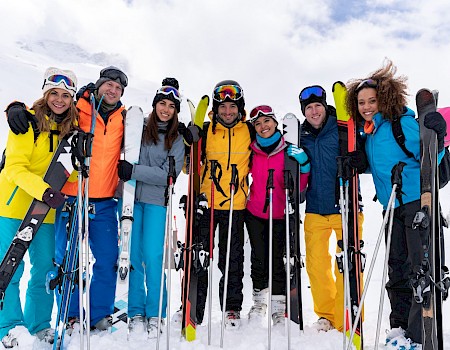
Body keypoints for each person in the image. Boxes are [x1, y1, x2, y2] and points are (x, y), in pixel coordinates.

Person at [345, 59, 447, 349]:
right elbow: (382, 162)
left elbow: (431, 157)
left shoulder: (402, 124)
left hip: (418, 203)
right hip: (391, 207)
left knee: (419, 270)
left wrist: (438, 139)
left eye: (372, 101)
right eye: (361, 102)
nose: (366, 107)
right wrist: (359, 162)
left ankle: (418, 335)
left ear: (385, 98)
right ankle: (398, 330)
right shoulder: (370, 133)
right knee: (397, 270)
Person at [0, 67, 78, 347]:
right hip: (13, 207)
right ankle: (8, 326)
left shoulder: (70, 131)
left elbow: (69, 172)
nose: (59, 99)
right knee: (10, 268)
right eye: (54, 93)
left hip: (45, 211)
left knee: (45, 269)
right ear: (45, 94)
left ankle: (39, 324)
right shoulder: (26, 123)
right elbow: (14, 168)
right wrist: (45, 191)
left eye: (65, 95)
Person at [181, 80, 254, 329]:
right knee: (199, 257)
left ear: (239, 107)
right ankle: (193, 308)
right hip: (206, 203)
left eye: (232, 107)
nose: (227, 112)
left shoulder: (249, 130)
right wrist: (189, 143)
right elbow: (187, 167)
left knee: (232, 259)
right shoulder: (206, 130)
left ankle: (231, 308)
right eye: (222, 107)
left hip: (236, 204)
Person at [117, 78, 185, 338]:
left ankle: (156, 311)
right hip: (130, 201)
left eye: (171, 106)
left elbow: (169, 174)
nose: (166, 109)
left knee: (154, 257)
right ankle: (135, 311)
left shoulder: (177, 138)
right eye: (162, 103)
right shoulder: (138, 128)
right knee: (132, 257)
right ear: (155, 104)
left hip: (157, 202)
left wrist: (133, 171)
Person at [299, 85, 366, 333]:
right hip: (315, 208)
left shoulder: (342, 129)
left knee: (348, 263)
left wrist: (360, 158)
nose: (314, 111)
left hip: (345, 205)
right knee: (317, 265)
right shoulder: (301, 135)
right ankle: (326, 315)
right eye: (308, 108)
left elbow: (365, 153)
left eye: (317, 106)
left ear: (325, 106)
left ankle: (346, 314)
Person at [245, 105, 310, 325]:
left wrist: (305, 165)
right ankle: (259, 303)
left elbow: (299, 188)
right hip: (255, 213)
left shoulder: (288, 149)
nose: (263, 127)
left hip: (282, 214)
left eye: (267, 121)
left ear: (275, 123)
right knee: (259, 259)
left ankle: (278, 307)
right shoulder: (251, 150)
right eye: (258, 123)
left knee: (279, 260)